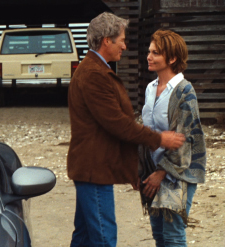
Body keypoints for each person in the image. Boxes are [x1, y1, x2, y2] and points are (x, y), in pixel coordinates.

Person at [67, 12, 186, 247]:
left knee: (83, 237)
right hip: (94, 171)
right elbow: (118, 124)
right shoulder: (94, 74)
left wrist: (131, 167)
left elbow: (111, 126)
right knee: (103, 238)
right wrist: (159, 138)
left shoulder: (95, 69)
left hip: (91, 169)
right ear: (106, 41)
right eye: (121, 39)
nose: (125, 45)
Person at [139, 29, 206, 247]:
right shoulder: (150, 89)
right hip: (153, 171)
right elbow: (147, 132)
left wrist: (161, 173)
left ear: (172, 58)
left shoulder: (184, 91)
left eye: (155, 53)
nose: (149, 56)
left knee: (173, 235)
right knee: (159, 234)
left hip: (179, 171)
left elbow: (183, 139)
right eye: (149, 51)